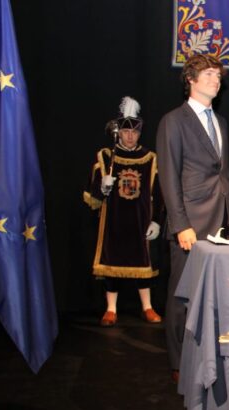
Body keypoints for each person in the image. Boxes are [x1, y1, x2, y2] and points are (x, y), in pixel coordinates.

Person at [156, 54, 229, 378]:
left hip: (221, 223)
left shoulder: (220, 123)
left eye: (218, 76)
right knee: (182, 296)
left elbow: (227, 176)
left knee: (212, 295)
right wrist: (181, 225)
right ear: (190, 79)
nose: (215, 80)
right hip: (190, 224)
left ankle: (206, 356)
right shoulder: (173, 121)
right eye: (208, 74)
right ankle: (179, 363)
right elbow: (168, 177)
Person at [83, 96, 163, 327]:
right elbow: (93, 198)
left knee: (142, 265)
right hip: (114, 221)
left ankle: (147, 307)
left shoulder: (150, 158)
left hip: (140, 220)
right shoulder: (106, 157)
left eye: (134, 133)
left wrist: (156, 220)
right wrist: (102, 187)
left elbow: (159, 194)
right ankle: (111, 309)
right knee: (112, 263)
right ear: (119, 133)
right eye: (126, 132)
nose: (130, 137)